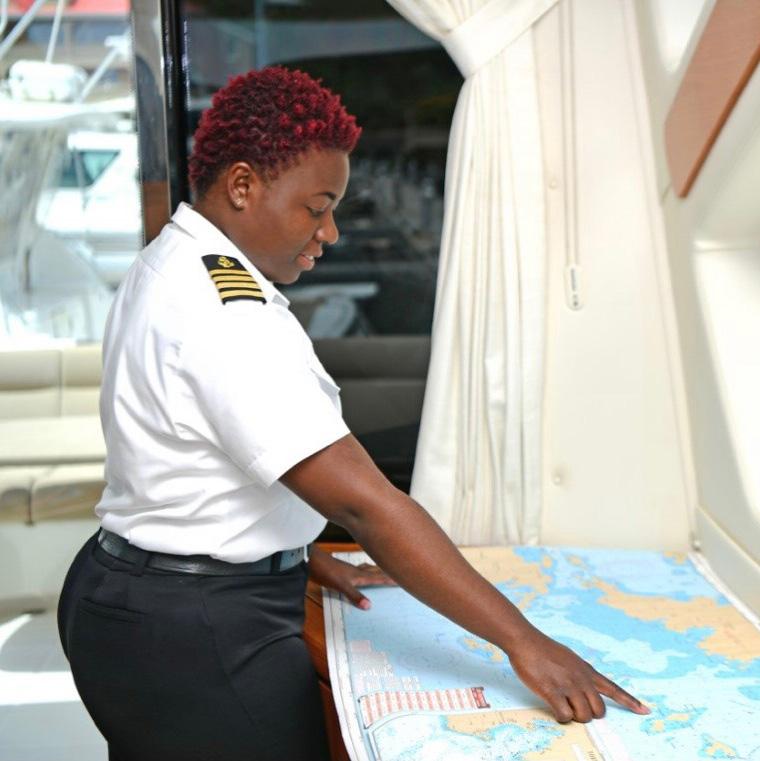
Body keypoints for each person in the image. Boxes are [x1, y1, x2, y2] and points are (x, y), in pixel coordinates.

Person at [58, 66, 649, 761]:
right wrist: (527, 643)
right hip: (198, 632)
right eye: (317, 208)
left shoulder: (171, 260)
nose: (330, 231)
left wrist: (296, 553)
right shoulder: (229, 317)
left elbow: (182, 462)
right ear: (243, 185)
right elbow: (366, 506)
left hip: (128, 595)